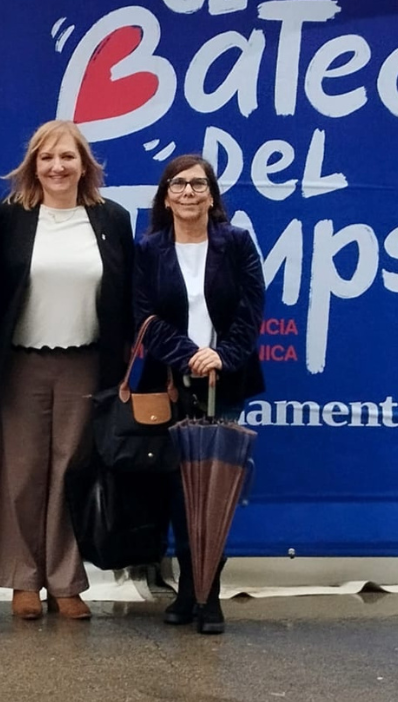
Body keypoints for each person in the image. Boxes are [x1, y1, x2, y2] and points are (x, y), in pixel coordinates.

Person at [0, 120, 134, 621]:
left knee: (72, 470)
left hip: (88, 364)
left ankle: (66, 581)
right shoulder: (9, 217)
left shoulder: (111, 219)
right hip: (22, 362)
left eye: (67, 157)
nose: (57, 167)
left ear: (84, 165)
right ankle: (23, 579)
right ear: (32, 166)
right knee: (22, 474)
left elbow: (126, 297)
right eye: (46, 158)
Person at [134, 153, 265, 635]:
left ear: (212, 196)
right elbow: (144, 317)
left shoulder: (236, 244)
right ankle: (187, 587)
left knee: (216, 492)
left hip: (224, 382)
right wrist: (189, 353)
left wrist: (222, 355)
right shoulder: (149, 249)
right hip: (169, 383)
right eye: (178, 185)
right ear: (165, 197)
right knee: (178, 491)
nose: (188, 193)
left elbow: (252, 310)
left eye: (198, 185)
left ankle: (209, 593)